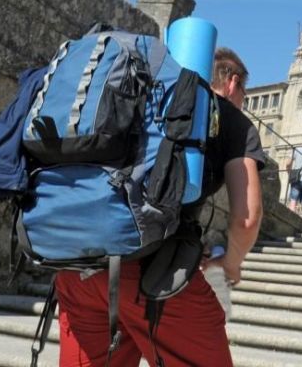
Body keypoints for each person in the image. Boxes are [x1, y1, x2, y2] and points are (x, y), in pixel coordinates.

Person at [55, 46, 264, 367]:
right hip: (154, 275)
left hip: (76, 264)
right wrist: (231, 263)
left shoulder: (141, 92)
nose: (242, 101)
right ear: (233, 82)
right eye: (244, 95)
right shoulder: (232, 119)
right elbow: (246, 218)